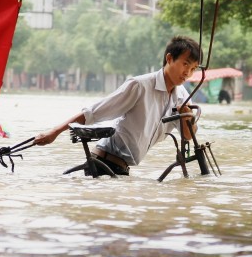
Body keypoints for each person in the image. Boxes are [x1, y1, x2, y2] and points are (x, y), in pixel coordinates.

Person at [34, 35, 201, 176]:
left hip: (122, 170)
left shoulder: (183, 97)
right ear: (169, 59)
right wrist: (54, 132)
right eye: (185, 64)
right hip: (103, 164)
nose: (188, 73)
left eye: (193, 68)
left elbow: (187, 136)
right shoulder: (140, 86)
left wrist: (188, 117)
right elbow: (94, 113)